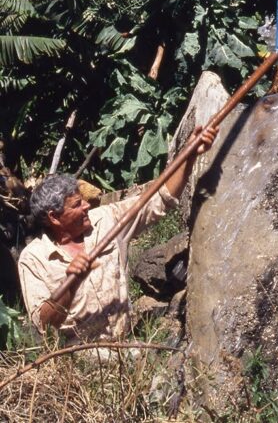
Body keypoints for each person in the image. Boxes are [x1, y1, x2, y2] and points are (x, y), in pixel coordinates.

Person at [17, 126, 218, 343]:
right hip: (77, 359)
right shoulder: (33, 258)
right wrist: (71, 283)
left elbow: (160, 198)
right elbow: (42, 325)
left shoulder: (105, 219)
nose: (86, 206)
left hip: (126, 347)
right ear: (54, 217)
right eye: (76, 204)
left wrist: (189, 154)